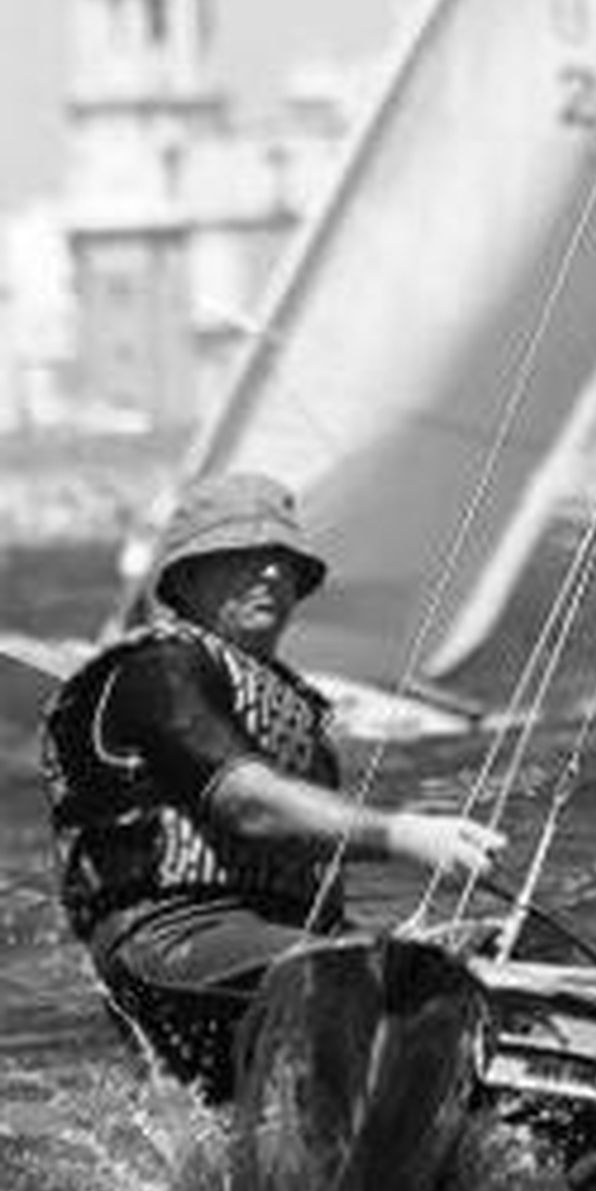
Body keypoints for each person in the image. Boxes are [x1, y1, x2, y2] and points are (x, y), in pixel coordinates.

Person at [41, 470, 505, 1103]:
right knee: (384, 980)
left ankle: (588, 1140)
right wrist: (406, 834)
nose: (270, 575)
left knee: (485, 966)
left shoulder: (287, 701)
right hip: (172, 939)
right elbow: (247, 805)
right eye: (243, 558)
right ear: (188, 578)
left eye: (283, 563)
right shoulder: (157, 672)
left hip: (288, 954)